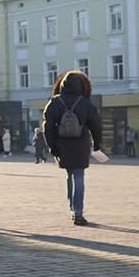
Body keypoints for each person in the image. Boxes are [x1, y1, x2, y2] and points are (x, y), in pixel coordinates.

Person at [43, 70, 103, 226]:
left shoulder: (54, 102)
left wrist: (52, 146)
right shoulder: (86, 103)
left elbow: (47, 127)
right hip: (81, 144)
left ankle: (72, 208)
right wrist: (97, 144)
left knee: (70, 175)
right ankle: (78, 212)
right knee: (79, 176)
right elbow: (96, 125)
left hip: (62, 145)